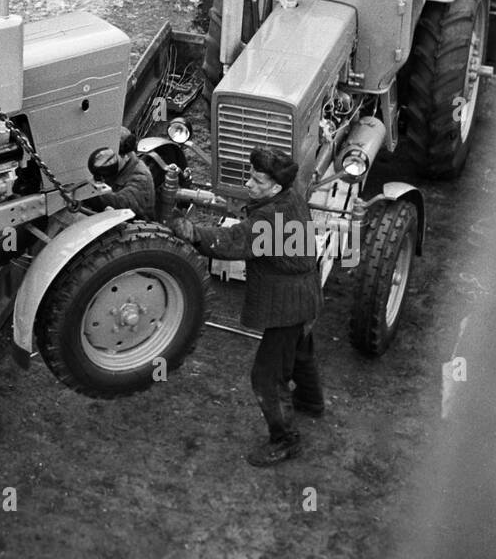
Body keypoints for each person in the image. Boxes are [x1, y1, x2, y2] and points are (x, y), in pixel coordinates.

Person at [169, 146, 324, 467]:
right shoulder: (291, 197)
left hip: (287, 305)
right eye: (250, 177)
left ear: (276, 187)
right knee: (299, 351)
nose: (249, 186)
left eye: (258, 182)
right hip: (306, 295)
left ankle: (285, 439)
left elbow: (233, 241)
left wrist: (194, 233)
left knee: (266, 376)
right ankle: (310, 400)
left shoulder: (271, 218)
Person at [84, 127, 156, 221]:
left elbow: (121, 203)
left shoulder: (141, 178)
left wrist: (85, 194)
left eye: (110, 158)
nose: (103, 161)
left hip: (132, 229)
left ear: (126, 157)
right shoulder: (115, 168)